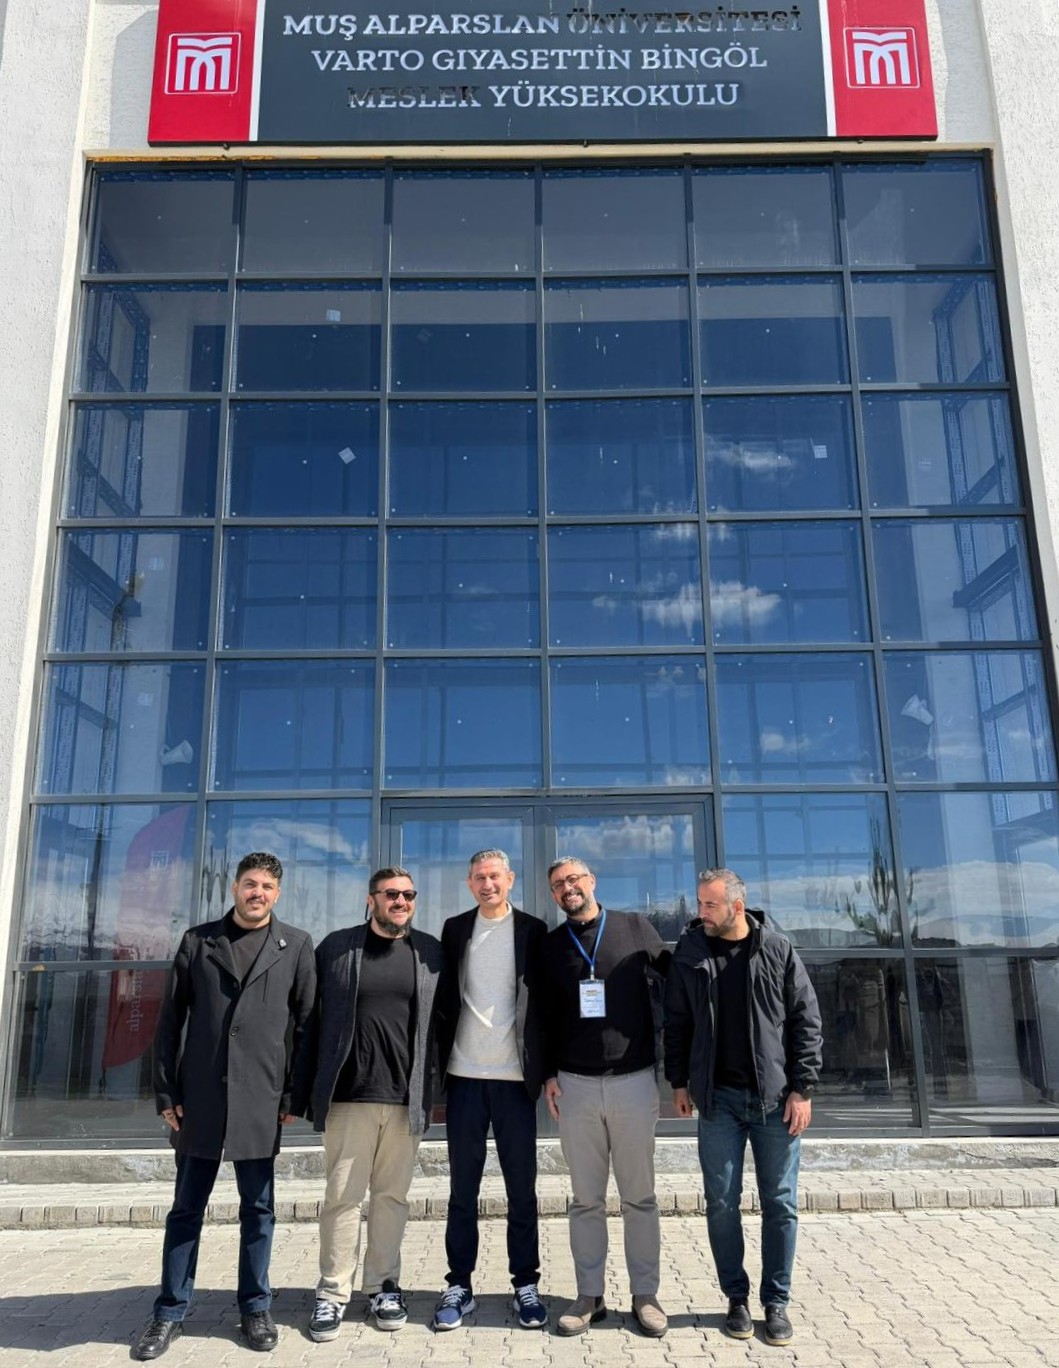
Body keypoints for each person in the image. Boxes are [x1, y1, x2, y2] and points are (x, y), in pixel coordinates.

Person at [133, 852, 316, 1360]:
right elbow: (170, 1023)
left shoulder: (296, 945)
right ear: (235, 888)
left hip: (261, 1101)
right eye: (250, 884)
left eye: (267, 887)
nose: (258, 893)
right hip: (201, 1102)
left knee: (259, 1211)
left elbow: (307, 1027)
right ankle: (169, 1312)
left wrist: (293, 1095)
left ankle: (255, 1308)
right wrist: (167, 1093)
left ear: (278, 894)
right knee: (185, 1210)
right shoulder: (198, 941)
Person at [663, 868, 822, 1347]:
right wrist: (678, 1082)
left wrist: (802, 1089)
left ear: (736, 906)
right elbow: (676, 1022)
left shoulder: (777, 949)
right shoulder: (690, 953)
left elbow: (806, 1021)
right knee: (720, 1203)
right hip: (719, 1101)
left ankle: (777, 1302)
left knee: (781, 1203)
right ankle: (736, 1297)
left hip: (776, 1100)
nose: (701, 913)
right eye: (699, 903)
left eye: (709, 905)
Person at [305, 866, 444, 1343]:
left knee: (391, 1199)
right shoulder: (338, 948)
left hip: (405, 1099)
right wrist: (302, 1091)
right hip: (349, 1096)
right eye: (391, 894)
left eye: (409, 894)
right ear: (372, 900)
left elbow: (443, 1024)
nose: (401, 901)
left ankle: (384, 1286)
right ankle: (332, 1292)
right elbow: (310, 1019)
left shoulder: (430, 952)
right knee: (342, 1199)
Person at [539, 856, 671, 1339]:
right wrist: (547, 1075)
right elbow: (542, 1016)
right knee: (585, 1200)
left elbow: (677, 983)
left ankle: (645, 1295)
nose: (567, 888)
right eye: (558, 884)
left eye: (574, 879)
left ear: (592, 881)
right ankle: (589, 1296)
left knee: (640, 1198)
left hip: (632, 1081)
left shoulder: (635, 927)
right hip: (574, 1085)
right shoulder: (551, 945)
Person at [432, 849, 548, 1332]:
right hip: (464, 1078)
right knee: (463, 1189)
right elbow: (443, 999)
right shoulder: (455, 929)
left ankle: (526, 1284)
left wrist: (549, 1071)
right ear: (469, 882)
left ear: (510, 879)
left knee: (522, 1190)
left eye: (495, 876)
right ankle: (459, 1283)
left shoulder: (534, 931)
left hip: (515, 1082)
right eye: (479, 877)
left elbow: (545, 1004)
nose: (488, 884)